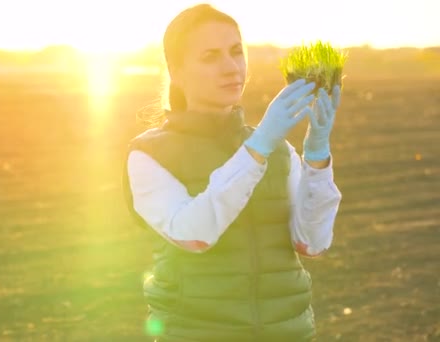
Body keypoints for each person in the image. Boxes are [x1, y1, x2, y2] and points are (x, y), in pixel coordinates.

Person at [121, 3, 343, 342]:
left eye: (236, 52)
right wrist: (259, 147)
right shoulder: (149, 156)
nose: (230, 68)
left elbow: (312, 243)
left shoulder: (279, 152)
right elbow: (195, 235)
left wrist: (316, 156)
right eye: (210, 56)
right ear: (176, 71)